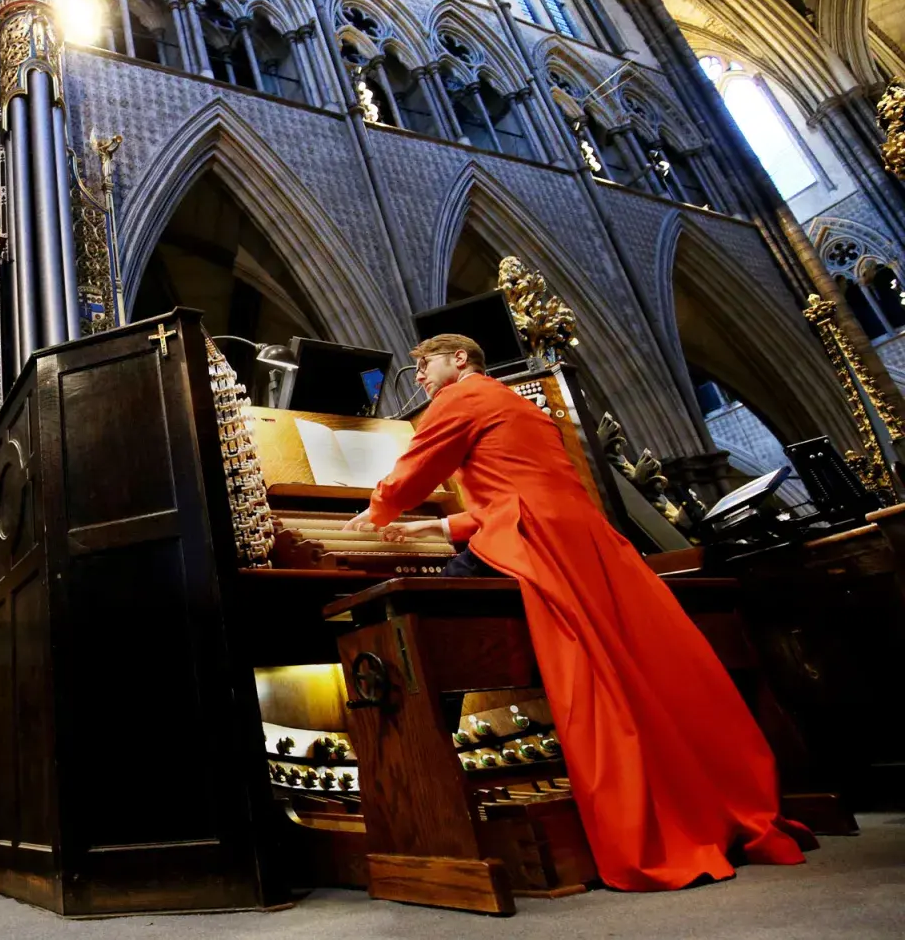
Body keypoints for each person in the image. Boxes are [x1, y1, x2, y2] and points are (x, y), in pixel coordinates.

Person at [345, 334, 812, 891]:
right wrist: (441, 526)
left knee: (401, 630)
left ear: (461, 360)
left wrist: (373, 514)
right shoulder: (518, 405)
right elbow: (523, 486)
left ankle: (422, 812)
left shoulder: (461, 397)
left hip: (532, 542)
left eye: (426, 364)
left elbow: (416, 470)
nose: (419, 376)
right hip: (580, 541)